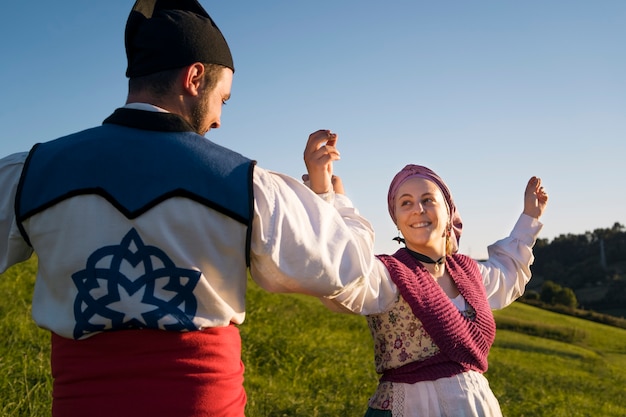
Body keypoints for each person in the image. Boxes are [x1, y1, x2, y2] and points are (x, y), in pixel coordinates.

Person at [0, 1, 377, 416]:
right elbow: (351, 267)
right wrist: (331, 200)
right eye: (224, 99)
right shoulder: (246, 184)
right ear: (194, 78)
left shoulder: (30, 172)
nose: (218, 120)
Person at [304, 157, 548, 416]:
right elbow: (342, 271)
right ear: (396, 219)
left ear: (448, 211)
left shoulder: (469, 272)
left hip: (477, 406)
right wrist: (327, 198)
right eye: (405, 202)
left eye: (428, 199)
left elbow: (506, 272)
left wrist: (529, 218)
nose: (417, 209)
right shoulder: (388, 275)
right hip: (411, 407)